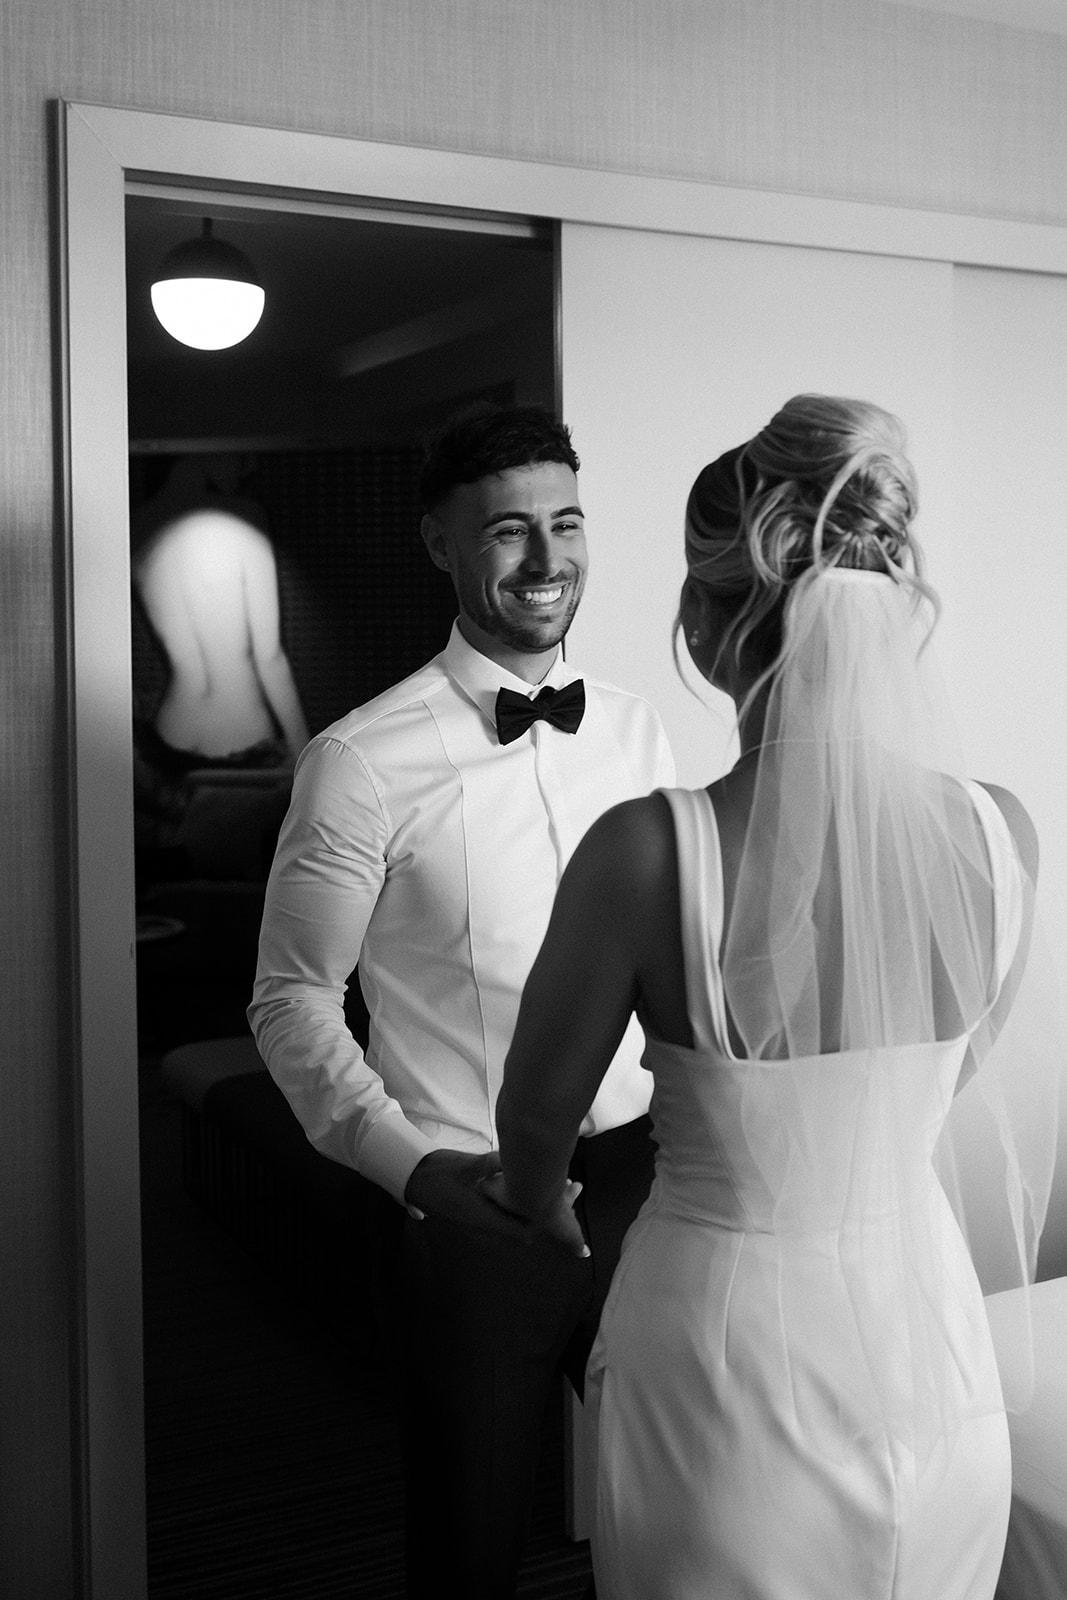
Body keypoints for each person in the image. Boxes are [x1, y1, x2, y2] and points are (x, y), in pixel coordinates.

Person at [487, 395, 1058, 1599]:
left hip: (721, 1365)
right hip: (931, 1353)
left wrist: (539, 1205)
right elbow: (944, 1073)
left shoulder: (644, 850)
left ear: (705, 619)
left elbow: (534, 1121)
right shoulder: (1003, 834)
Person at [248, 404, 674, 1598]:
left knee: (678, 1508)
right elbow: (289, 1000)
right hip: (467, 1202)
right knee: (468, 1545)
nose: (546, 561)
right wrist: (405, 1167)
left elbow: (680, 957)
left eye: (566, 523)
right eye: (506, 532)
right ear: (439, 542)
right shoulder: (359, 760)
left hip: (650, 1184)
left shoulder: (637, 731)